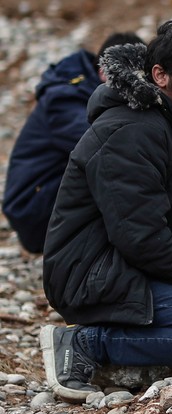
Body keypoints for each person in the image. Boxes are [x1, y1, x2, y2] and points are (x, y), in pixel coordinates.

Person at [40, 18, 172, 402]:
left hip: (128, 260)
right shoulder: (132, 131)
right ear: (160, 75)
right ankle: (87, 341)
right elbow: (139, 237)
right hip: (94, 273)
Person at [2, 32, 144, 253]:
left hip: (49, 198)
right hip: (32, 208)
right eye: (130, 78)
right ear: (104, 71)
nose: (135, 88)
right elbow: (103, 145)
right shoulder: (64, 99)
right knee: (111, 164)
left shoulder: (85, 88)